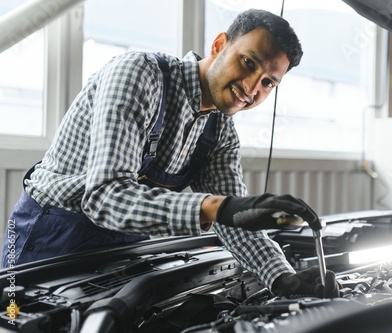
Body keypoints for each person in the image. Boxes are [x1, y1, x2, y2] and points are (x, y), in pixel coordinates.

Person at [2, 9, 339, 298]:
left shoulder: (219, 129)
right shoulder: (139, 74)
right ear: (219, 44)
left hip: (124, 244)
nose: (252, 88)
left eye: (268, 82)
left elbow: (234, 220)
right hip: (49, 236)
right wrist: (215, 207)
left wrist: (283, 278)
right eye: (248, 63)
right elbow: (104, 196)